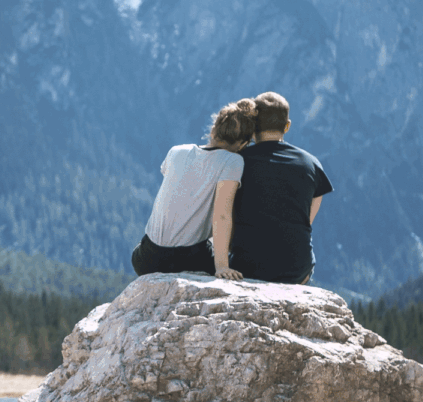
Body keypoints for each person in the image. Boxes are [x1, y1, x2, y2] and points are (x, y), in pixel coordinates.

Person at [131, 99, 258, 278]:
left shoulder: (176, 151)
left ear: (213, 130)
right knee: (241, 260)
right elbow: (222, 215)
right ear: (243, 144)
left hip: (146, 258)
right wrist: (222, 267)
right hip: (186, 259)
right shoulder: (232, 161)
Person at [229, 91, 332, 284]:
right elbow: (306, 220)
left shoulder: (237, 162)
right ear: (287, 126)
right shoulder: (311, 164)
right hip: (298, 271)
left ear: (253, 125)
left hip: (247, 267)